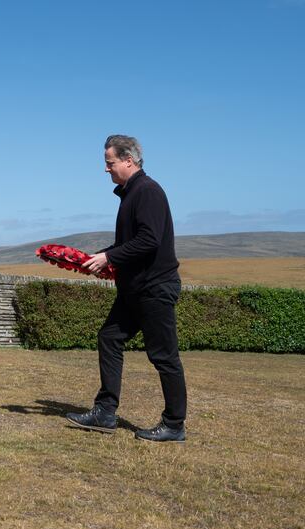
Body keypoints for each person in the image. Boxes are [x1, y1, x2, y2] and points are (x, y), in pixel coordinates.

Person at [66, 134, 187, 442]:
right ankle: (105, 413)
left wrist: (109, 256)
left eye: (110, 163)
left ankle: (174, 424)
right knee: (109, 337)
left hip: (155, 287)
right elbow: (127, 245)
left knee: (164, 356)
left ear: (128, 161)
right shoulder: (130, 194)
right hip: (134, 288)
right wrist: (100, 259)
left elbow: (149, 241)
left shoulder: (148, 191)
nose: (106, 169)